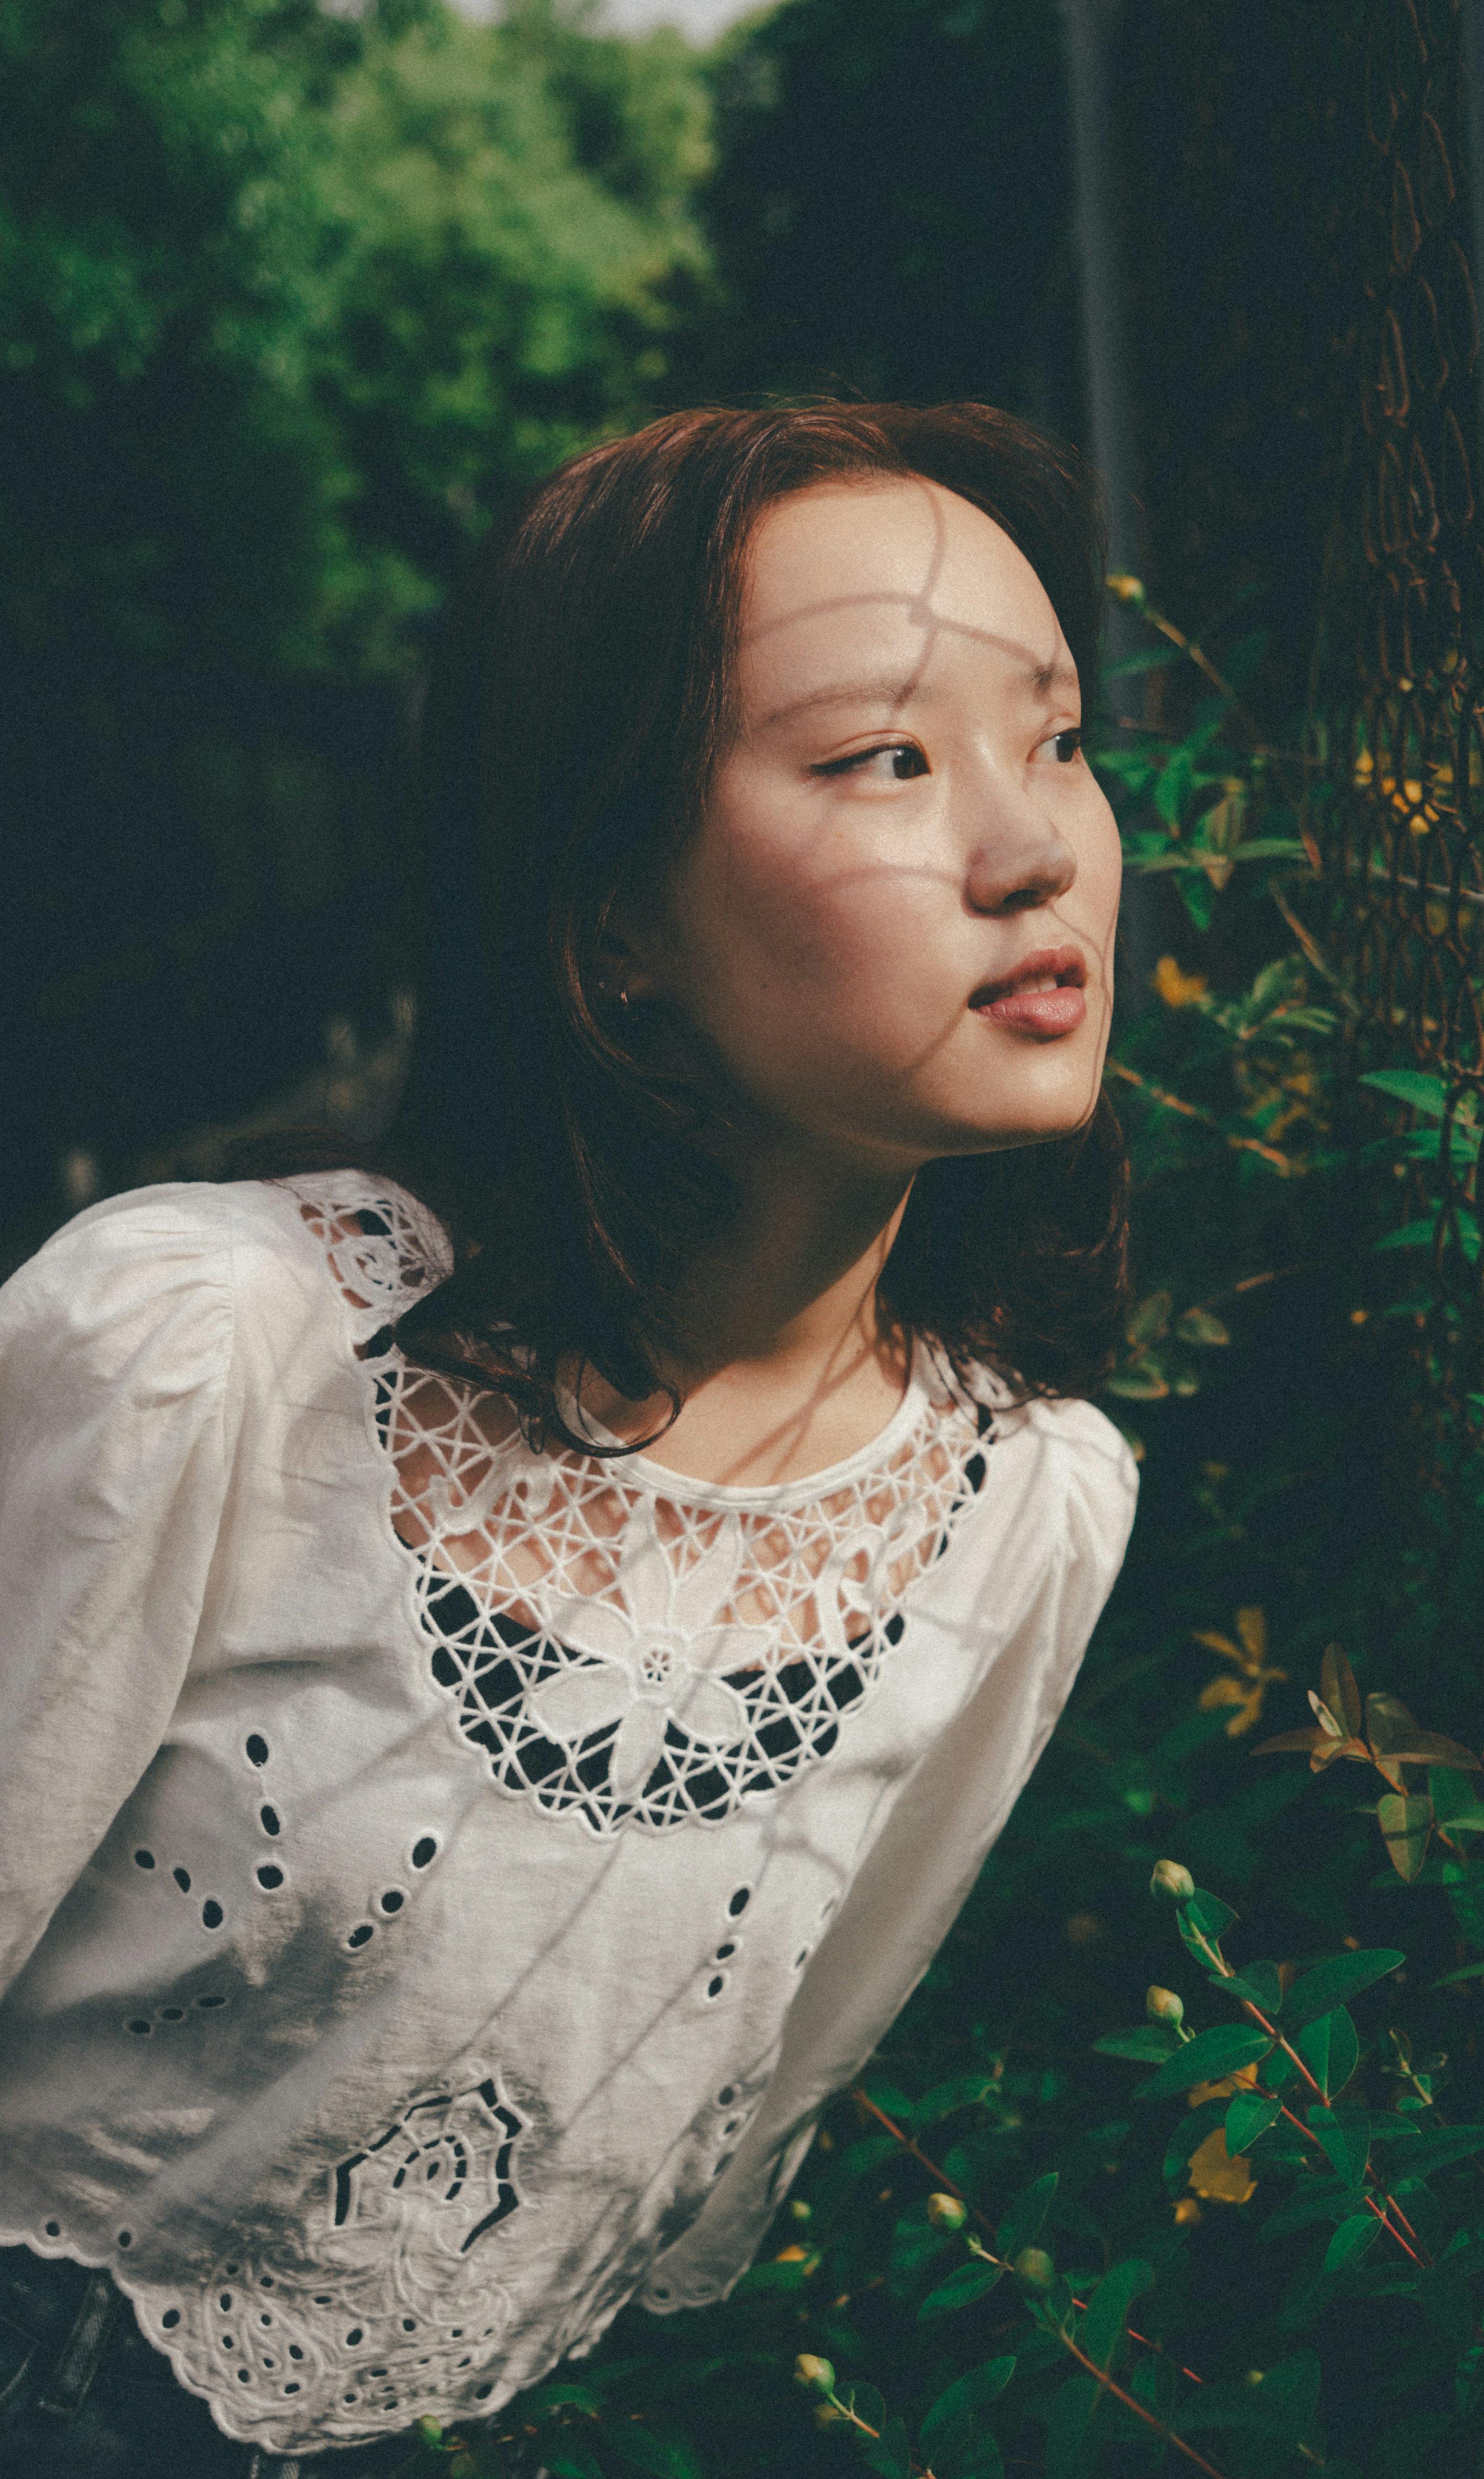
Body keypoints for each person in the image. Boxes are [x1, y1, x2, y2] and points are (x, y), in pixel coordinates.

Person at [0, 403, 1138, 2476]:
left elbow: (725, 2171)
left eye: (1057, 736)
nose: (1036, 843)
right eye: (889, 756)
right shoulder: (213, 1353)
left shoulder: (1030, 1508)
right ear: (612, 917)